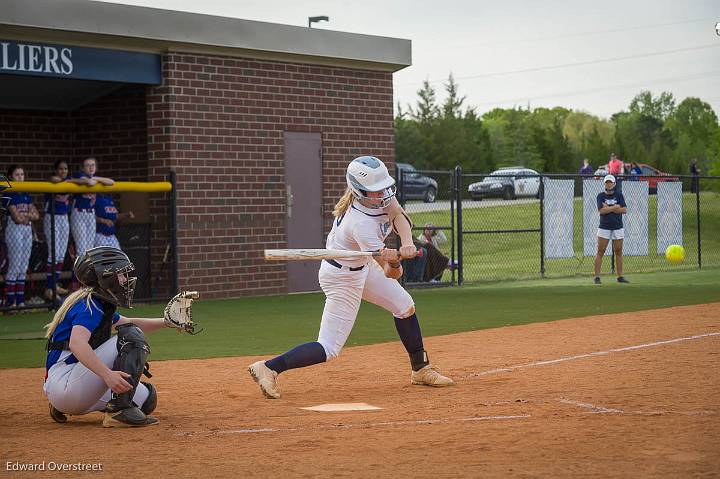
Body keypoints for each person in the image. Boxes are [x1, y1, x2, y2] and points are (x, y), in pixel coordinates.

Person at [248, 156, 453, 399]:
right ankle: (270, 367)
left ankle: (420, 369)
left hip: (361, 267)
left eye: (383, 188)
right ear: (359, 191)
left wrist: (407, 243)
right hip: (341, 279)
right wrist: (395, 260)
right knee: (329, 348)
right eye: (375, 191)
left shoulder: (381, 196)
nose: (382, 194)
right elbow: (392, 274)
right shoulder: (361, 225)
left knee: (404, 306)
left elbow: (398, 214)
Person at [44, 247, 191, 427]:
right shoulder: (89, 306)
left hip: (68, 388)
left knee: (147, 400)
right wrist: (107, 375)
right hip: (66, 384)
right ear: (105, 278)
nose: (125, 279)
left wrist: (167, 322)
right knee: (131, 335)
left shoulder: (97, 303)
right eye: (121, 274)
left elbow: (130, 322)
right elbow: (76, 344)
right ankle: (119, 412)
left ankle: (63, 406)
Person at [43, 160, 80, 300]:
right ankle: (49, 287)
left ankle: (54, 285)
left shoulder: (69, 181)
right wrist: (65, 180)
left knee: (60, 255)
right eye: (60, 169)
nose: (63, 171)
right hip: (52, 218)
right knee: (54, 253)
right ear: (56, 170)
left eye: (65, 169)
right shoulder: (53, 181)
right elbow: (53, 179)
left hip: (64, 218)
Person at [4, 165, 39, 308]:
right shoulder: (9, 193)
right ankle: (11, 302)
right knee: (15, 265)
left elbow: (36, 215)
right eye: (17, 175)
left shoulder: (25, 194)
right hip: (14, 230)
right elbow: (16, 218)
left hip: (26, 230)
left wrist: (25, 216)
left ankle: (20, 301)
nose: (20, 177)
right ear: (11, 177)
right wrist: (27, 216)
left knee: (23, 266)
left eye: (22, 174)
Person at [70, 157, 114, 261]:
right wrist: (95, 180)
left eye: (93, 165)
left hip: (91, 215)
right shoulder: (79, 176)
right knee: (81, 249)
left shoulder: (94, 178)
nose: (90, 167)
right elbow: (90, 183)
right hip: (79, 214)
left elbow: (111, 182)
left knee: (90, 250)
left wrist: (96, 178)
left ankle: (84, 276)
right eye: (87, 165)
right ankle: (78, 276)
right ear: (83, 168)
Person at [593, 174, 629, 284]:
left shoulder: (619, 195)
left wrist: (608, 208)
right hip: (604, 227)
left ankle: (620, 276)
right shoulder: (600, 196)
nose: (608, 184)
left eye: (610, 182)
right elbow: (601, 211)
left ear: (614, 183)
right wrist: (614, 207)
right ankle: (597, 277)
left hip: (617, 227)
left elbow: (624, 210)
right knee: (600, 251)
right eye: (606, 182)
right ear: (604, 184)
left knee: (618, 251)